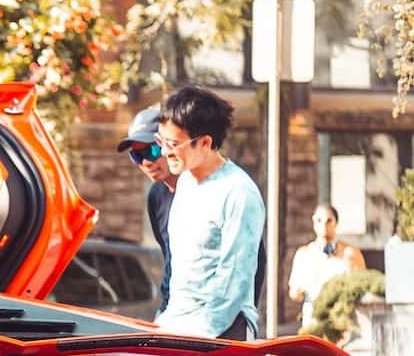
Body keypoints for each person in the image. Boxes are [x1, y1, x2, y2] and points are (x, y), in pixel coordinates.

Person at [153, 85, 265, 340]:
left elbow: (234, 280)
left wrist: (199, 336)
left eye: (173, 144)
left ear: (205, 142)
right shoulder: (185, 182)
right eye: (161, 141)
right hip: (176, 324)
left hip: (222, 331)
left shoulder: (238, 192)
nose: (164, 152)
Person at [117, 104, 177, 312]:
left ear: (169, 145)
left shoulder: (207, 191)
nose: (146, 162)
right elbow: (169, 258)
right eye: (136, 156)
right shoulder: (156, 196)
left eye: (152, 150)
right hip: (173, 311)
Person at [287, 203, 366, 329]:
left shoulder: (350, 253)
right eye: (319, 220)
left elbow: (363, 285)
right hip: (313, 318)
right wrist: (298, 291)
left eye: (329, 220)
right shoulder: (304, 254)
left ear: (336, 223)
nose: (324, 225)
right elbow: (294, 292)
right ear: (314, 222)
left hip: (341, 318)